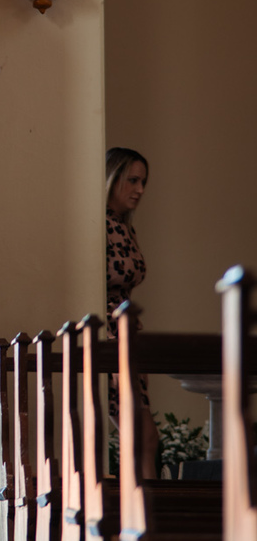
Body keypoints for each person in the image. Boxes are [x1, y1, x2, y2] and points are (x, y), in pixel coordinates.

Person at [106, 146, 157, 474]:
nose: (140, 189)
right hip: (109, 335)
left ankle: (144, 511)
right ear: (112, 179)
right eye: (132, 180)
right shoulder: (97, 226)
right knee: (142, 435)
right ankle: (144, 515)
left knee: (142, 437)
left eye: (143, 182)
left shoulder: (125, 226)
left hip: (128, 335)